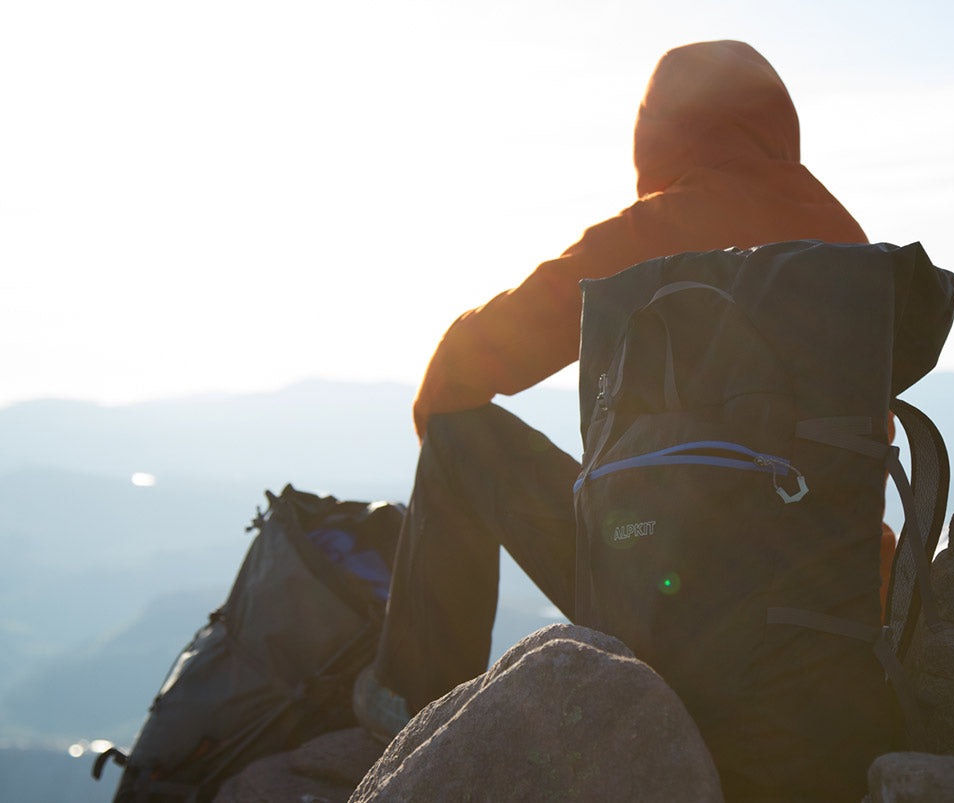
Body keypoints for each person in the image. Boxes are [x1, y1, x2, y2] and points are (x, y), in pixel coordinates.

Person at [356, 40, 875, 784]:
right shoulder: (848, 236)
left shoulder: (656, 231)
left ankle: (411, 703)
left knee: (458, 437)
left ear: (659, 131)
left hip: (679, 607)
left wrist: (442, 461)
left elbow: (458, 373)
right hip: (832, 607)